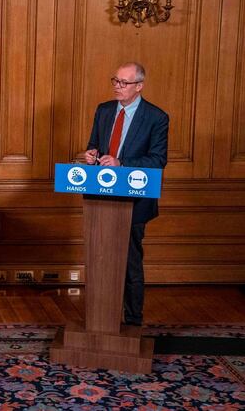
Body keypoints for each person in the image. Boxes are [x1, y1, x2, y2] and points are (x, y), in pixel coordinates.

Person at [84, 62, 168, 326]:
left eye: (123, 83)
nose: (117, 87)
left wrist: (121, 162)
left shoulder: (156, 117)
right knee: (100, 260)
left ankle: (132, 321)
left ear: (139, 86)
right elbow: (95, 144)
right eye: (115, 81)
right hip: (101, 198)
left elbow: (157, 160)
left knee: (130, 263)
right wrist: (91, 154)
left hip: (134, 200)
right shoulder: (104, 110)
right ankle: (100, 318)